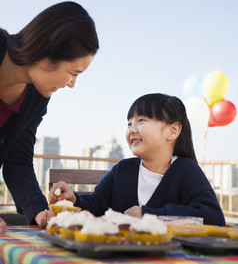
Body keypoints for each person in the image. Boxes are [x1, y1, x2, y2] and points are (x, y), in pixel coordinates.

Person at [48, 93, 225, 226]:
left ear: (172, 131)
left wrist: (149, 215)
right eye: (129, 123)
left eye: (141, 120)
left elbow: (212, 216)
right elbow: (96, 204)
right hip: (119, 258)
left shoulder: (186, 170)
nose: (132, 129)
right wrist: (74, 201)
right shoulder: (122, 170)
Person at [0, 1, 99, 228]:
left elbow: (18, 161)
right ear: (46, 54)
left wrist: (40, 212)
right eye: (73, 73)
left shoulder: (36, 96)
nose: (72, 84)